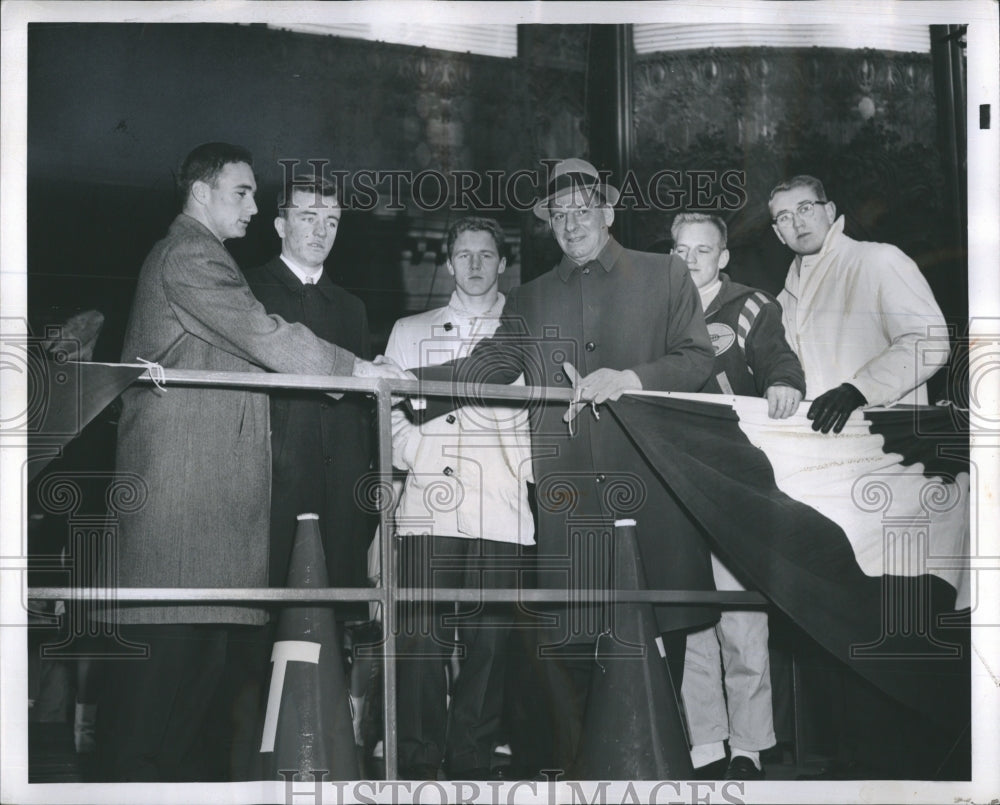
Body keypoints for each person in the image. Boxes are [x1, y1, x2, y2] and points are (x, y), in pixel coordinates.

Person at [98, 142, 408, 782]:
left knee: (187, 699)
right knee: (155, 700)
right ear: (200, 192)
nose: (253, 205)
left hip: (205, 513)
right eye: (242, 192)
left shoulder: (209, 256)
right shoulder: (189, 254)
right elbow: (261, 333)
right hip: (184, 510)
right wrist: (358, 369)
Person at [411, 158, 717, 773]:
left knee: (657, 659)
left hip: (653, 501)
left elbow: (696, 358)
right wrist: (405, 381)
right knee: (574, 664)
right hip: (569, 513)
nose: (572, 222)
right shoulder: (531, 297)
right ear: (549, 224)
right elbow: (491, 367)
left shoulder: (665, 275)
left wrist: (630, 378)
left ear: (607, 212)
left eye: (584, 209)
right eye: (560, 213)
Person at [384, 216, 534, 780]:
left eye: (486, 255)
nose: (474, 264)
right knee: (420, 639)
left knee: (489, 646)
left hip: (500, 505)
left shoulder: (525, 330)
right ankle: (418, 763)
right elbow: (390, 413)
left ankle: (471, 762)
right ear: (448, 263)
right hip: (428, 504)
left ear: (502, 264)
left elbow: (536, 426)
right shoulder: (408, 328)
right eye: (464, 254)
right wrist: (419, 455)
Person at [670, 212, 805, 781]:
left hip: (736, 484)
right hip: (673, 481)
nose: (691, 259)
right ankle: (706, 747)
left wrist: (783, 383)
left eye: (703, 250)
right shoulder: (656, 309)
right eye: (681, 250)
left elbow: (779, 357)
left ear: (723, 257)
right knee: (692, 617)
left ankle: (748, 747)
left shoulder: (751, 303)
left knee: (743, 620)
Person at [244, 175, 375, 598]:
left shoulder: (352, 308)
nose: (321, 231)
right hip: (270, 487)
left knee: (332, 616)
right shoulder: (248, 291)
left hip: (342, 493)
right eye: (308, 217)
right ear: (280, 225)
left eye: (332, 221)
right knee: (261, 613)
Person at [769, 175, 947, 433]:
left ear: (829, 211)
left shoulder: (878, 260)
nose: (797, 222)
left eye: (805, 208)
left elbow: (930, 342)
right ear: (778, 233)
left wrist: (859, 390)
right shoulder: (782, 301)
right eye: (784, 217)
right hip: (815, 448)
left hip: (887, 445)